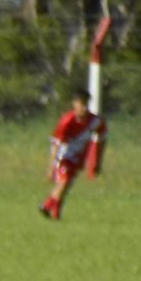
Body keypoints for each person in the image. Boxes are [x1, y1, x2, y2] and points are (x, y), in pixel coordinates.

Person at [40, 85, 103, 222]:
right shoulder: (67, 121)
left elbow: (102, 139)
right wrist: (51, 167)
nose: (84, 108)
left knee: (66, 186)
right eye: (81, 104)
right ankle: (46, 205)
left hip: (78, 157)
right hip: (64, 156)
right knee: (64, 182)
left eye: (86, 104)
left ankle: (55, 214)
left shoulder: (95, 121)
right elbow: (56, 144)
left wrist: (97, 161)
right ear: (75, 104)